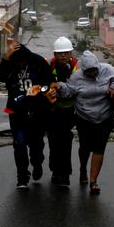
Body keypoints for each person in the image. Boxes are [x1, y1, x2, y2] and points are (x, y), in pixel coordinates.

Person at [52, 50, 114, 195]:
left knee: (99, 147)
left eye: (94, 70)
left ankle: (93, 181)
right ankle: (83, 169)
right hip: (84, 117)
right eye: (89, 72)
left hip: (105, 116)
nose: (92, 74)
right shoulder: (76, 77)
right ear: (83, 70)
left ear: (98, 66)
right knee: (85, 147)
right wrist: (60, 86)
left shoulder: (108, 70)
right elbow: (68, 92)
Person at [0, 39, 55, 190]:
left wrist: (39, 91)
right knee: (19, 144)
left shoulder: (38, 62)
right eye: (17, 61)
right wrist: (6, 58)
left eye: (22, 61)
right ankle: (22, 176)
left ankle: (37, 163)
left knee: (36, 145)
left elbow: (50, 82)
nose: (20, 64)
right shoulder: (10, 65)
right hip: (16, 112)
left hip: (38, 111)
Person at [45, 37, 78, 187]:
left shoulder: (76, 68)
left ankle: (65, 174)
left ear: (71, 52)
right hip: (52, 111)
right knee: (53, 141)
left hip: (68, 111)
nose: (63, 56)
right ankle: (55, 170)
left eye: (66, 53)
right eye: (60, 53)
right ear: (55, 54)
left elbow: (78, 88)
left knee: (65, 141)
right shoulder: (48, 65)